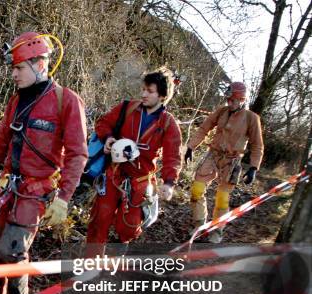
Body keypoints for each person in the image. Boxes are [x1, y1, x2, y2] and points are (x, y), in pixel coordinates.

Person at [0, 32, 87, 294]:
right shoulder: (15, 101)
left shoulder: (65, 101)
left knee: (12, 249)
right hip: (6, 186)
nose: (13, 74)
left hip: (36, 191)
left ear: (40, 64)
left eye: (19, 68)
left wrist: (64, 198)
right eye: (13, 68)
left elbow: (78, 154)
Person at [85, 67, 182, 258]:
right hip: (114, 174)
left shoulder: (168, 124)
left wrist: (169, 183)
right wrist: (108, 138)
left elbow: (173, 157)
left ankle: (119, 249)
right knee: (100, 219)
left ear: (162, 95)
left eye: (150, 91)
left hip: (140, 182)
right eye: (143, 89)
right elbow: (103, 123)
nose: (144, 94)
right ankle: (91, 262)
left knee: (128, 227)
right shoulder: (127, 108)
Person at [184, 81, 263, 243]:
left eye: (234, 100)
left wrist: (254, 167)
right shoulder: (221, 111)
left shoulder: (251, 118)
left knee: (222, 198)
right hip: (213, 154)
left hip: (232, 160)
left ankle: (217, 230)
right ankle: (199, 224)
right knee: (197, 188)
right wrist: (191, 146)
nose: (230, 103)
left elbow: (257, 145)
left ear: (242, 100)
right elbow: (204, 128)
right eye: (228, 100)